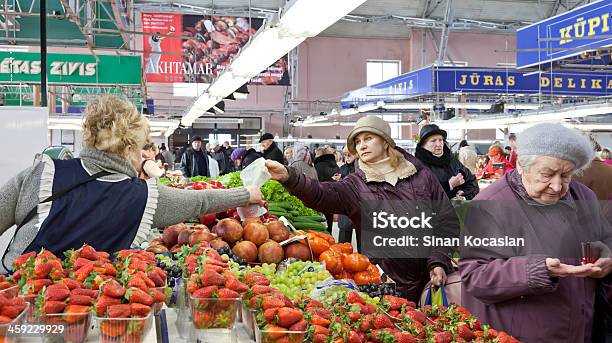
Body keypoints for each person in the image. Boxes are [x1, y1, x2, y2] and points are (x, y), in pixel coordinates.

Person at [0, 95, 263, 272]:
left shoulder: (42, 172)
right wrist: (246, 193)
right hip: (87, 309)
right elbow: (200, 202)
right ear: (127, 149)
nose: (143, 156)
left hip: (14, 303)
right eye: (140, 148)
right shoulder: (141, 197)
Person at [264, 116, 459, 301]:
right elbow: (321, 193)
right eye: (357, 142)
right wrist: (290, 177)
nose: (362, 145)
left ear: (385, 142)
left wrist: (438, 260)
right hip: (384, 285)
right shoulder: (355, 185)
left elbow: (445, 220)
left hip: (430, 280)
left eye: (368, 138)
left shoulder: (421, 175)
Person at [459, 123, 612, 343]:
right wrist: (538, 270)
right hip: (518, 336)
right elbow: (474, 276)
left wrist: (608, 257)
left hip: (580, 331)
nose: (557, 186)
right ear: (521, 165)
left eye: (566, 175)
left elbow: (606, 236)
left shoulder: (584, 197)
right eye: (546, 175)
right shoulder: (490, 205)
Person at [416, 125, 479, 200]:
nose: (439, 144)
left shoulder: (452, 161)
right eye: (433, 141)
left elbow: (472, 182)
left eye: (440, 140)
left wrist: (464, 194)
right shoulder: (417, 166)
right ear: (423, 145)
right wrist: (449, 186)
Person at [314, 146, 341, 233]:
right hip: (333, 196)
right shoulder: (335, 165)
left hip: (321, 196)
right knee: (329, 220)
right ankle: (329, 236)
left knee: (320, 221)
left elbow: (316, 181)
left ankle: (322, 239)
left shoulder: (319, 165)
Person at [336, 145, 356, 244]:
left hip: (360, 207)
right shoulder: (342, 168)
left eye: (349, 154)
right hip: (345, 207)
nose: (347, 156)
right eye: (345, 154)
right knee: (343, 241)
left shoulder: (363, 169)